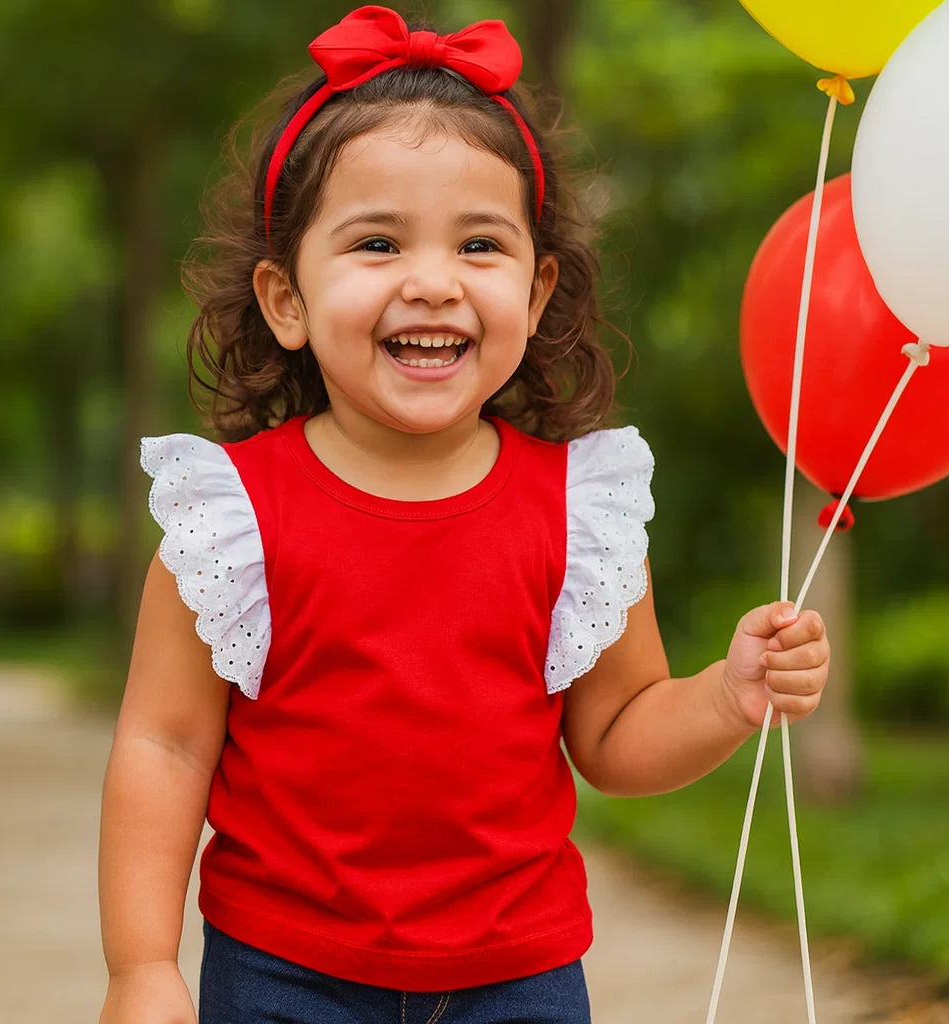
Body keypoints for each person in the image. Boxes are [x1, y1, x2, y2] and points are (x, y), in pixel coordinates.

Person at [96, 6, 830, 1024]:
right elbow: (166, 747)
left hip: (519, 982)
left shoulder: (581, 512)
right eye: (377, 242)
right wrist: (141, 967)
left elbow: (616, 733)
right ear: (286, 298)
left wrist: (727, 695)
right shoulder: (230, 522)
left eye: (479, 244)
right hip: (281, 977)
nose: (433, 283)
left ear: (536, 293)